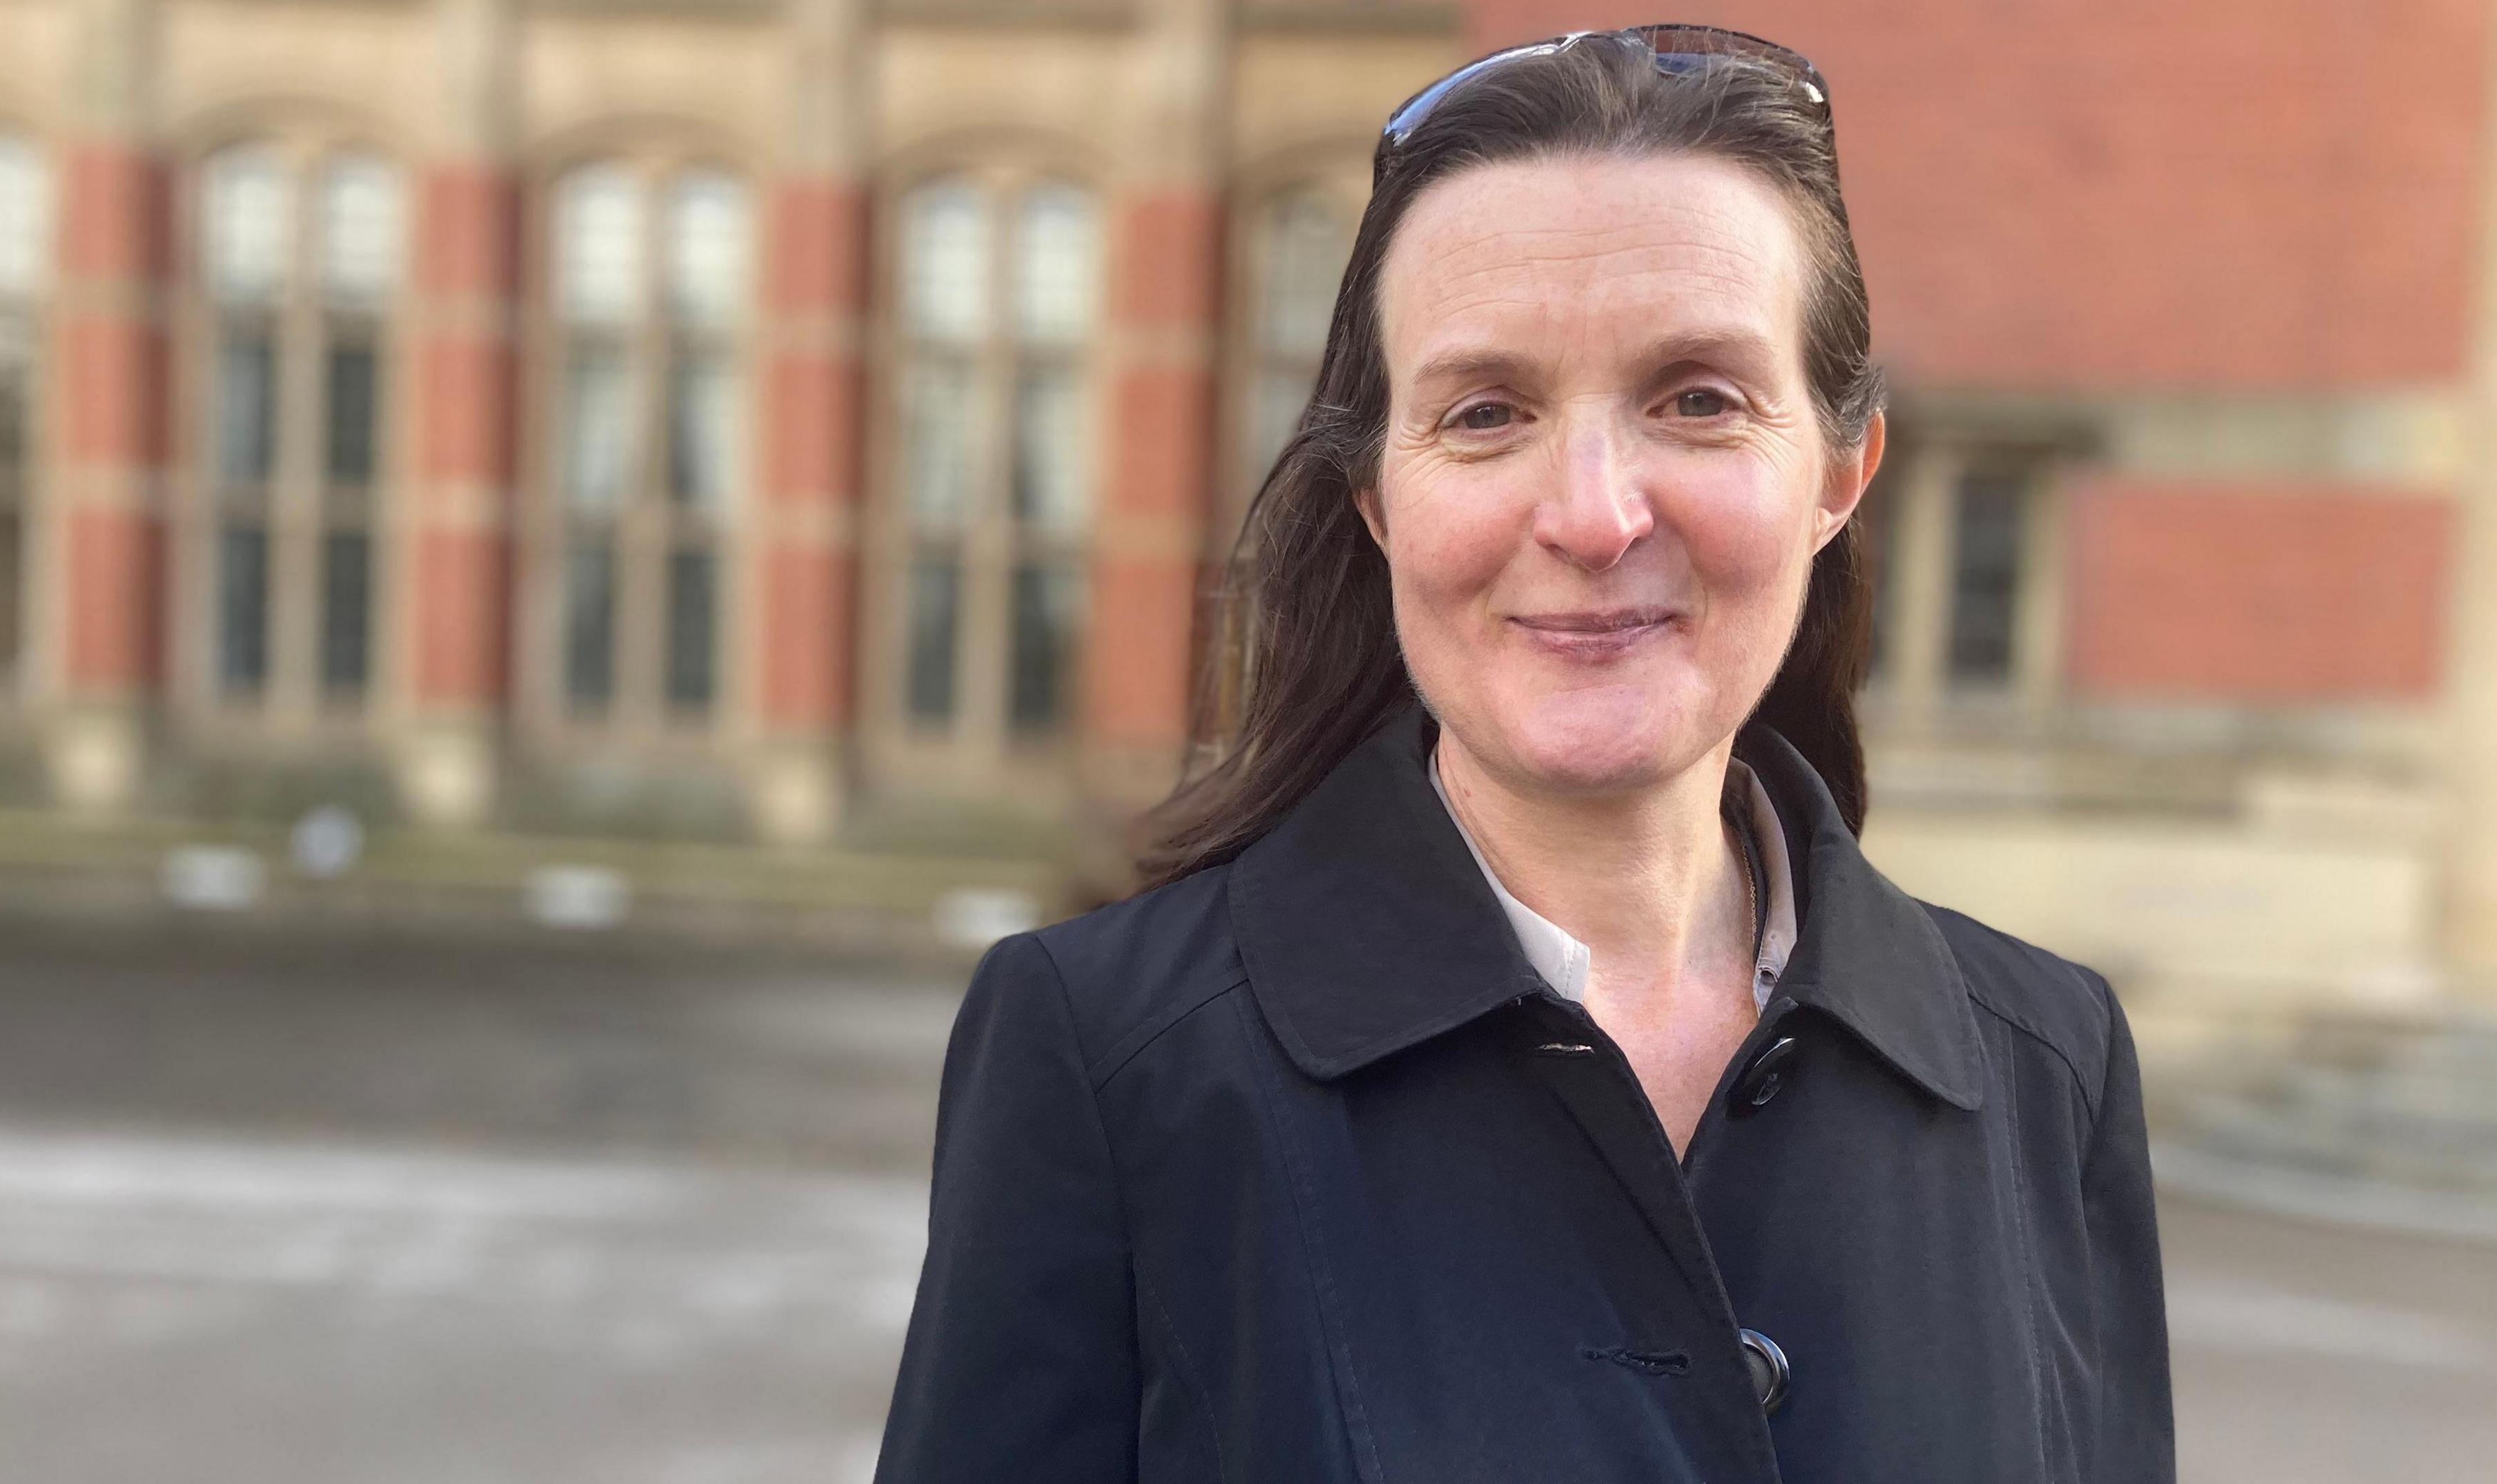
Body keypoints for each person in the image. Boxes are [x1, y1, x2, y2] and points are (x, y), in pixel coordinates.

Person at [875, 27, 2173, 1483]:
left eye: (1697, 398)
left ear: (1838, 473)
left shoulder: (2048, 1066)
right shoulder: (1112, 1060)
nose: (1596, 514)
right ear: (1378, 500)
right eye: (1486, 414)